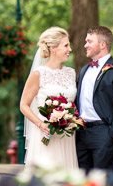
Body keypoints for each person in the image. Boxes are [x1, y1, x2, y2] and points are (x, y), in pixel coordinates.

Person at [76, 26, 113, 176]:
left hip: (104, 134)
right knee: (83, 184)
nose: (85, 45)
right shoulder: (84, 70)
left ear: (102, 44)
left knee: (105, 184)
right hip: (81, 134)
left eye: (89, 41)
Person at [19, 26, 78, 169]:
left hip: (66, 136)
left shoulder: (71, 73)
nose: (69, 49)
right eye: (66, 45)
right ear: (53, 48)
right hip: (45, 134)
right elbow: (23, 105)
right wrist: (41, 124)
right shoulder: (38, 74)